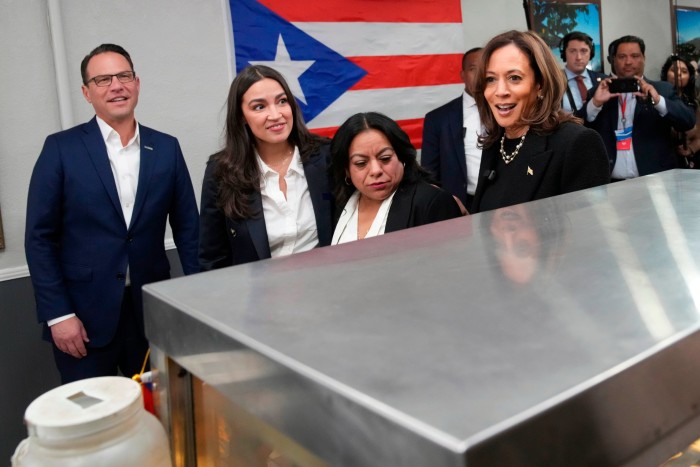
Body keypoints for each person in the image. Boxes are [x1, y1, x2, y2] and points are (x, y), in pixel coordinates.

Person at [25, 44, 200, 383]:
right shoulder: (61, 149)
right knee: (95, 425)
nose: (116, 86)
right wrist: (58, 314)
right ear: (86, 92)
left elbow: (190, 232)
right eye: (103, 79)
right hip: (83, 323)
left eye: (124, 76)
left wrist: (199, 304)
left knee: (161, 418)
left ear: (137, 83)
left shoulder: (166, 148)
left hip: (152, 317)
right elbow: (39, 239)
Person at [199, 65, 334, 269]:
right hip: (258, 295)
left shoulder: (325, 156)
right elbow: (212, 258)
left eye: (282, 101)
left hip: (326, 286)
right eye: (259, 107)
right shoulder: (221, 172)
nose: (276, 114)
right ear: (242, 117)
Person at [472, 30, 610, 213]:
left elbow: (588, 232)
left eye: (514, 78)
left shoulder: (577, 143)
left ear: (541, 85)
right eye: (491, 79)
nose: (500, 91)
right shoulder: (495, 142)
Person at [330, 112, 462, 244]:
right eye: (361, 163)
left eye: (385, 158)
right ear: (346, 170)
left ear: (402, 157)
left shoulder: (429, 201)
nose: (376, 170)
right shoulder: (343, 203)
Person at [577, 35, 696, 180]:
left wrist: (658, 101)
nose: (628, 62)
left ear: (643, 58)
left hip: (656, 180)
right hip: (609, 182)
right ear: (613, 59)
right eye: (622, 56)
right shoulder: (597, 92)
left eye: (634, 56)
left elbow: (688, 121)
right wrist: (594, 104)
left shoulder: (662, 90)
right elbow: (578, 128)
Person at [421, 47, 483, 212]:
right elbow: (429, 175)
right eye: (473, 69)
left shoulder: (510, 111)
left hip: (507, 203)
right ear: (462, 75)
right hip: (460, 206)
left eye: (486, 69)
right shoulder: (437, 119)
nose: (480, 75)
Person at [660, 54, 700, 168]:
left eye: (684, 71)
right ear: (666, 74)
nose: (679, 74)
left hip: (689, 163)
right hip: (663, 161)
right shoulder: (658, 100)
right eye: (673, 70)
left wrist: (691, 148)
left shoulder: (694, 104)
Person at [558, 31, 606, 112]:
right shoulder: (552, 82)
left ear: (591, 53)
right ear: (564, 54)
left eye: (583, 51)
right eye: (573, 51)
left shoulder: (604, 80)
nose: (578, 57)